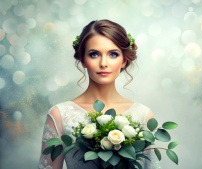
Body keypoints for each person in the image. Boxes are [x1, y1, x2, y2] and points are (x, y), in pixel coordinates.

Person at [38, 19, 161, 169]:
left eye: (113, 54)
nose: (103, 63)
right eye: (94, 54)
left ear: (124, 60)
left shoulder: (143, 115)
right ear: (83, 59)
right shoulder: (59, 115)